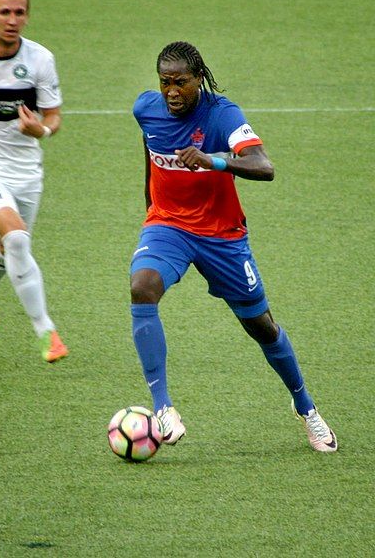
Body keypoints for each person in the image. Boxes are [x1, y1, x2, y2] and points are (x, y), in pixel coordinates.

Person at [130, 40, 337, 452]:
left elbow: (264, 166)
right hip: (168, 226)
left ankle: (306, 408)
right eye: (165, 82)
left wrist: (214, 160)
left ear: (199, 79)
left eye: (181, 83)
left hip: (222, 237)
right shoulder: (146, 109)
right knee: (143, 286)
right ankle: (163, 408)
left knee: (261, 326)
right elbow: (150, 154)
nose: (172, 91)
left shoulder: (223, 115)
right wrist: (150, 206)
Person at [0, 0, 68, 362]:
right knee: (15, 238)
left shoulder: (39, 60)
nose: (12, 20)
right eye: (5, 12)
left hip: (27, 172)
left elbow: (53, 115)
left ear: (26, 16)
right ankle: (46, 331)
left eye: (19, 12)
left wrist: (41, 129)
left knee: (10, 243)